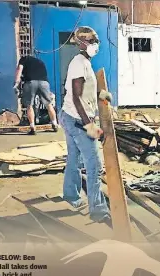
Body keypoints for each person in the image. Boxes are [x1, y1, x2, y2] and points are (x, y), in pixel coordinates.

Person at [59, 26, 110, 223]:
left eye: (95, 41)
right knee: (94, 165)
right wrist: (89, 125)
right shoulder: (79, 63)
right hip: (77, 120)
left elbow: (86, 91)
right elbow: (76, 97)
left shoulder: (85, 63)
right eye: (90, 42)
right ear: (80, 43)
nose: (94, 45)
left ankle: (71, 195)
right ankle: (98, 210)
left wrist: (101, 95)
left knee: (74, 158)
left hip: (70, 116)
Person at [14, 54, 58, 135]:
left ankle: (32, 128)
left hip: (31, 82)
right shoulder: (40, 62)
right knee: (49, 104)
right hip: (44, 83)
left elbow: (19, 70)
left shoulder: (23, 59)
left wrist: (16, 83)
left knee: (29, 105)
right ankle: (54, 124)